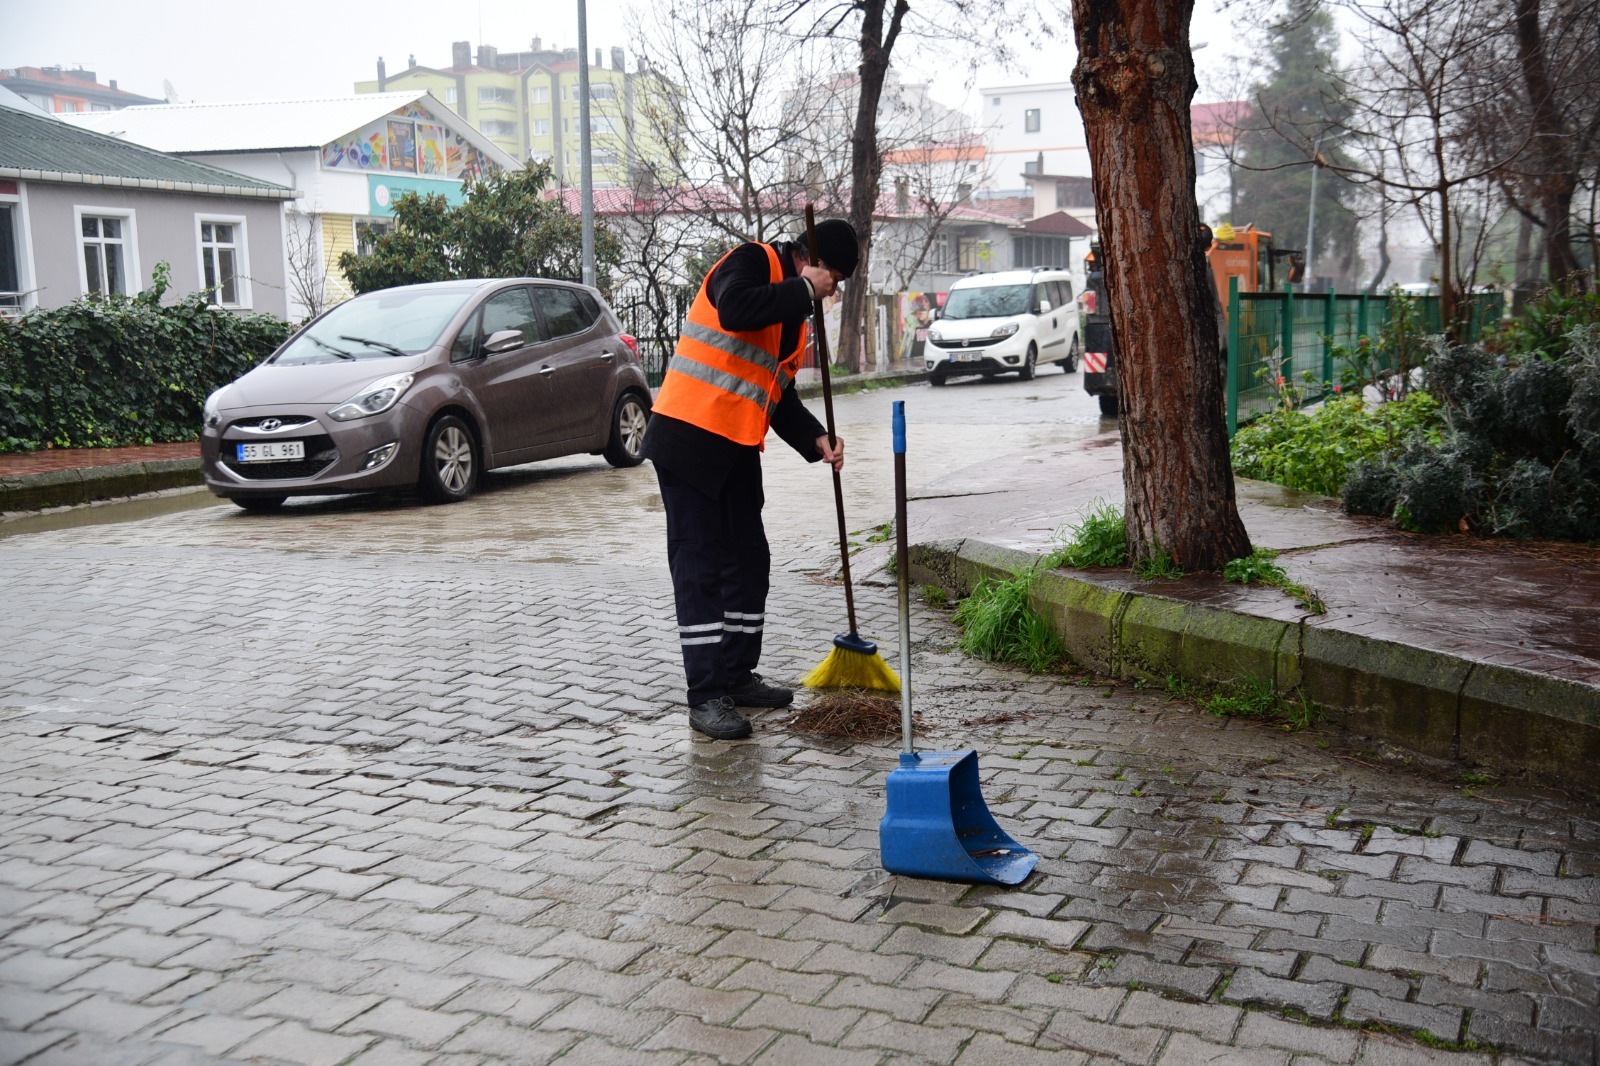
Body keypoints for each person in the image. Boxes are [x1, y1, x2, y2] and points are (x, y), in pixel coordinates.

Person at [642, 219, 859, 740]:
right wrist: (803, 288)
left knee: (749, 560)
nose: (832, 291)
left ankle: (737, 675)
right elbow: (736, 309)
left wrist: (816, 438)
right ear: (813, 262)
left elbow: (776, 393)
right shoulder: (751, 262)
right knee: (700, 567)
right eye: (833, 279)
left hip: (736, 446)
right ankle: (706, 695)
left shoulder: (795, 320)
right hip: (688, 439)